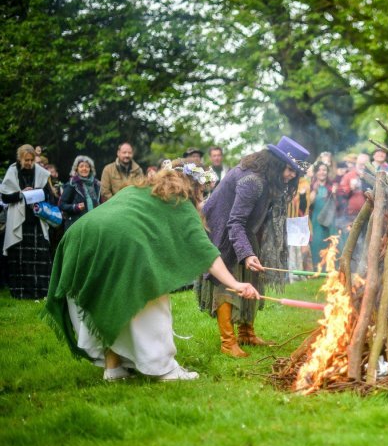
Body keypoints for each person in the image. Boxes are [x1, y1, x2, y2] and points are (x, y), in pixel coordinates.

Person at [43, 160, 259, 381]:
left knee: (109, 300)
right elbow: (206, 252)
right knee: (151, 297)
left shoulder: (140, 189)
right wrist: (236, 284)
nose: (202, 198)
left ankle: (114, 367)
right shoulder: (179, 202)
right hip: (119, 241)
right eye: (202, 192)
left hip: (80, 236)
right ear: (192, 186)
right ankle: (163, 368)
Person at [196, 136, 310, 358]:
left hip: (243, 230)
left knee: (251, 278)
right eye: (289, 169)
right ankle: (228, 343)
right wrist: (246, 253)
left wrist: (251, 252)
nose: (292, 175)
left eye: (296, 172)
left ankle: (246, 333)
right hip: (222, 231)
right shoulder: (253, 181)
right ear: (275, 162)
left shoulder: (269, 179)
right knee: (227, 282)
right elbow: (234, 221)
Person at [1, 144, 54, 299]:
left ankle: (41, 292)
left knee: (39, 257)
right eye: (26, 160)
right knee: (19, 258)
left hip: (36, 219)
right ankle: (21, 292)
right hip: (18, 220)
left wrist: (36, 194)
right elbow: (5, 197)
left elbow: (48, 194)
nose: (29, 163)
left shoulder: (41, 173)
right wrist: (21, 194)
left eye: (31, 160)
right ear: (20, 158)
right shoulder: (12, 172)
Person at [59, 155, 102, 230]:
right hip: (76, 225)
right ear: (76, 169)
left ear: (90, 169)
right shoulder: (72, 184)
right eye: (81, 166)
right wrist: (75, 207)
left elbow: (100, 202)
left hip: (94, 224)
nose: (84, 168)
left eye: (87, 166)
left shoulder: (96, 184)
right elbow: (61, 204)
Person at [308, 161, 336, 267]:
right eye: (319, 170)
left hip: (330, 220)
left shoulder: (331, 186)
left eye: (324, 170)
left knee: (329, 242)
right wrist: (314, 190)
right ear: (315, 173)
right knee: (316, 243)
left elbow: (337, 205)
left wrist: (334, 193)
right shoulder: (311, 186)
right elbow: (309, 203)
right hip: (315, 220)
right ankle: (317, 268)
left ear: (327, 172)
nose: (322, 172)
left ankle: (329, 267)